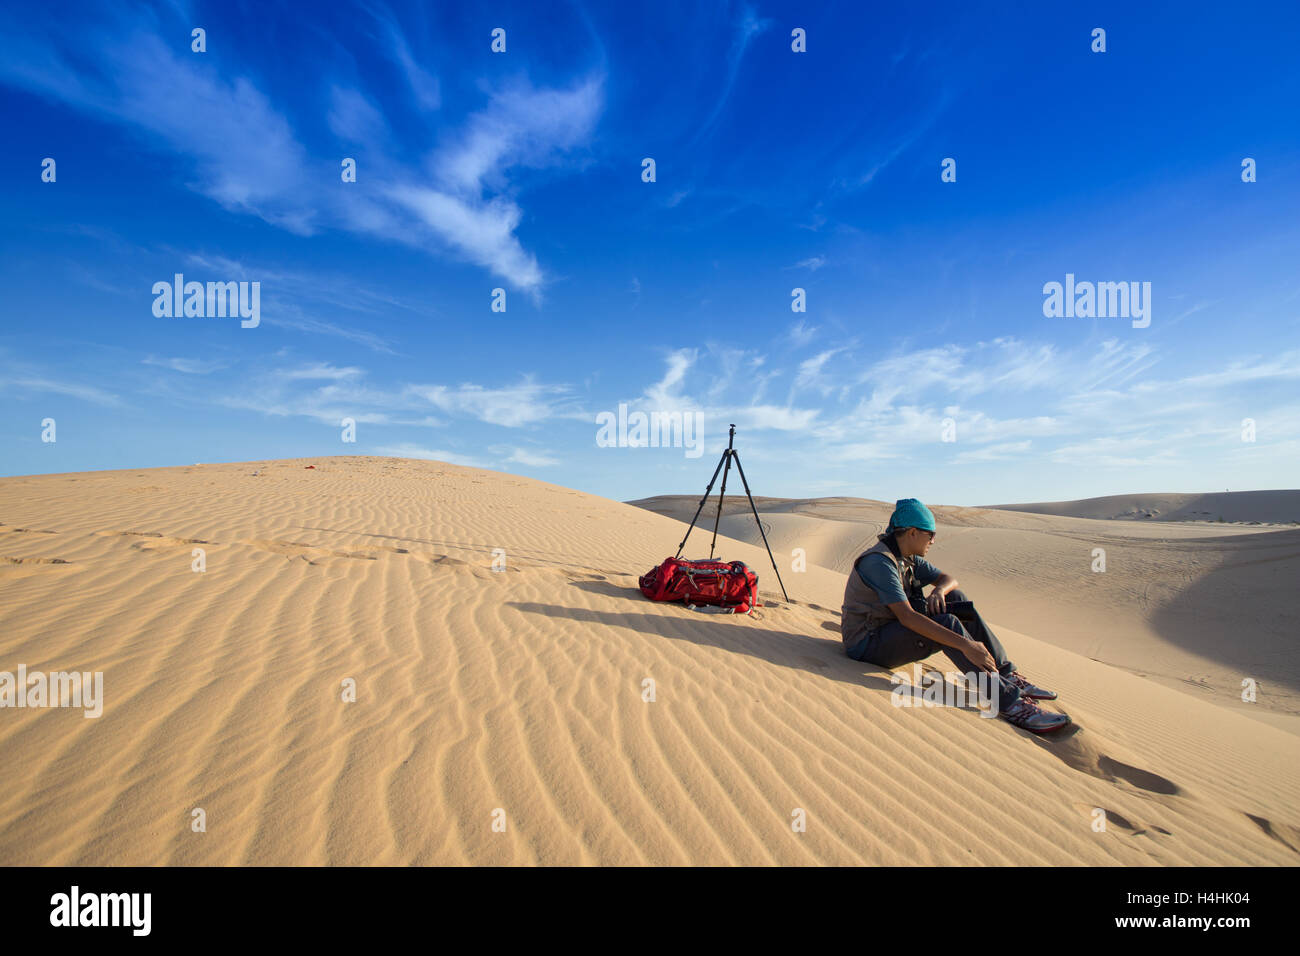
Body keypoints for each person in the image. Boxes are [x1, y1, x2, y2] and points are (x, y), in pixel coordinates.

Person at [841, 498, 1071, 733]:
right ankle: (1010, 703)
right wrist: (967, 645)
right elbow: (907, 618)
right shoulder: (880, 563)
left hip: (890, 634)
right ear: (912, 533)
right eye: (930, 534)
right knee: (948, 624)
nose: (933, 540)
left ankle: (1006, 674)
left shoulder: (907, 558)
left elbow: (949, 580)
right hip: (866, 645)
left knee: (956, 598)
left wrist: (939, 591)